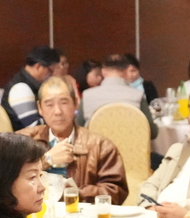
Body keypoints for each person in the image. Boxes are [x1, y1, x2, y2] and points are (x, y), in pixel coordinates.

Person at [19, 76, 128, 204]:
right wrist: (46, 160)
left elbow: (114, 192)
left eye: (64, 103)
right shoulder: (23, 141)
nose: (58, 111)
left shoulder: (101, 146)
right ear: (40, 108)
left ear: (76, 103)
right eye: (49, 104)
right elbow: (8, 181)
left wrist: (70, 194)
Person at [2, 46, 63, 130]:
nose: (52, 75)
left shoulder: (30, 84)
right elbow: (35, 126)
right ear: (38, 67)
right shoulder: (21, 89)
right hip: (23, 137)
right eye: (50, 71)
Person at [81, 54, 145, 119]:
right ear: (125, 72)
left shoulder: (87, 95)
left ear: (103, 72)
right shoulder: (138, 95)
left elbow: (79, 123)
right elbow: (148, 123)